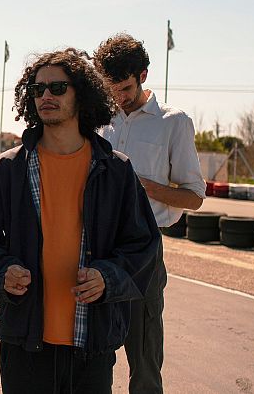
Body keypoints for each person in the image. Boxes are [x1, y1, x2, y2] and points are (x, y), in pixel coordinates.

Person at [0, 48, 160, 394]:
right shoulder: (8, 170)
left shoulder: (116, 170)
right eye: (37, 90)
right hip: (25, 342)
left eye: (57, 88)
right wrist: (1, 270)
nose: (45, 96)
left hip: (91, 343)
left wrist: (108, 278)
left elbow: (145, 247)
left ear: (81, 92)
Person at [93, 33, 206, 394]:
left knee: (143, 359)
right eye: (111, 89)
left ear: (143, 75)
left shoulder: (174, 122)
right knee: (93, 354)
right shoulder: (98, 120)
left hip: (144, 246)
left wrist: (144, 187)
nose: (119, 97)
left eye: (125, 87)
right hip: (96, 243)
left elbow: (194, 198)